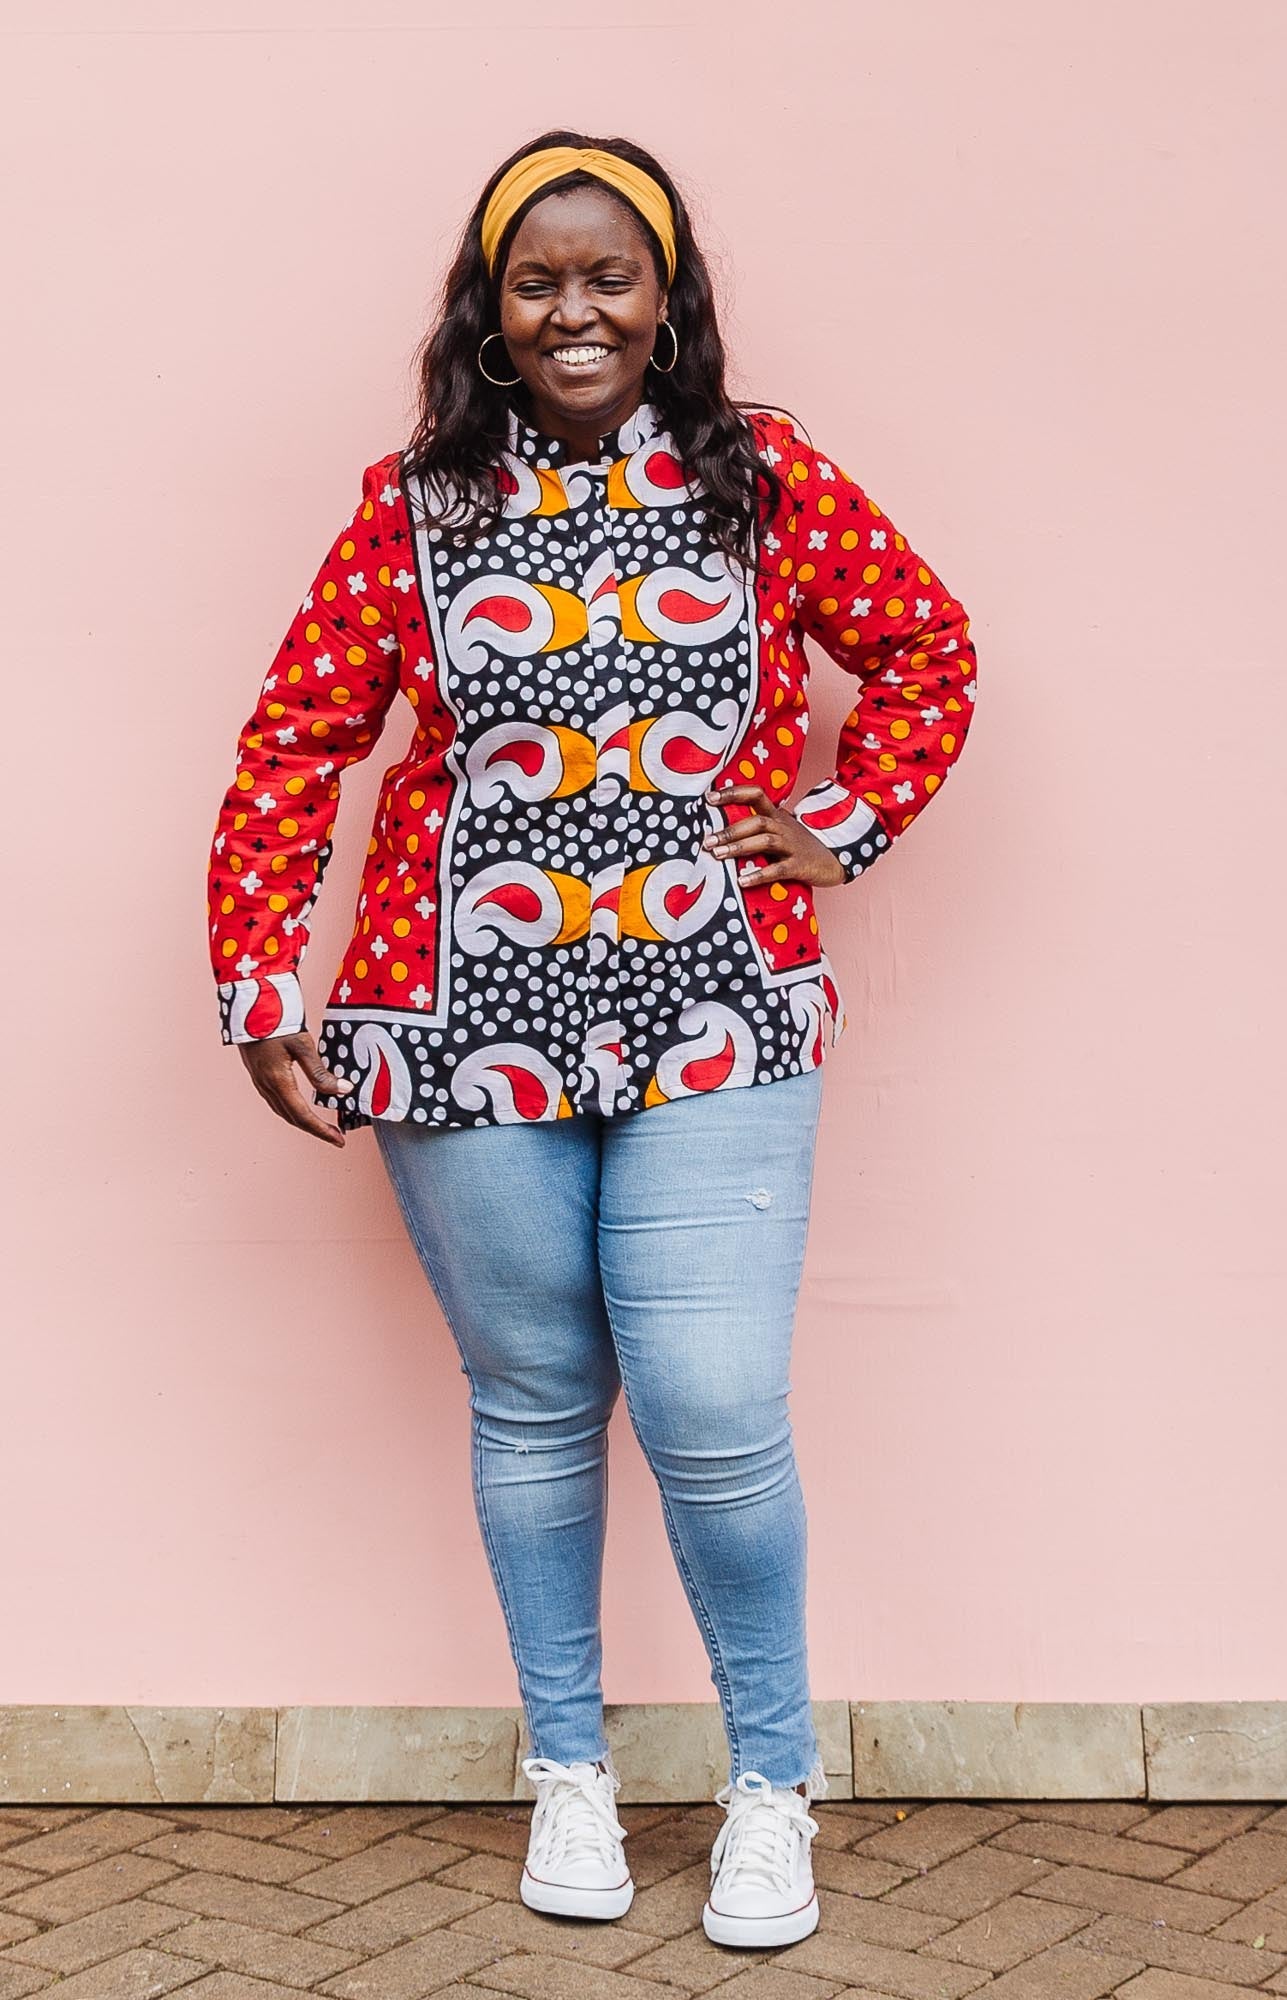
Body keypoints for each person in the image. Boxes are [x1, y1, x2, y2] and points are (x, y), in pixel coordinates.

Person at [207, 129, 978, 1950]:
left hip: (722, 1005)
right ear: (489, 310)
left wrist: (844, 821)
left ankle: (767, 1789)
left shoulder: (766, 477)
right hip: (456, 1021)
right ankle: (572, 1771)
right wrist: (261, 980)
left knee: (711, 1407)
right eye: (536, 279)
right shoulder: (410, 506)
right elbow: (293, 744)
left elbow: (927, 650)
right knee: (538, 1403)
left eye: (608, 275)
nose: (574, 309)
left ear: (666, 299)